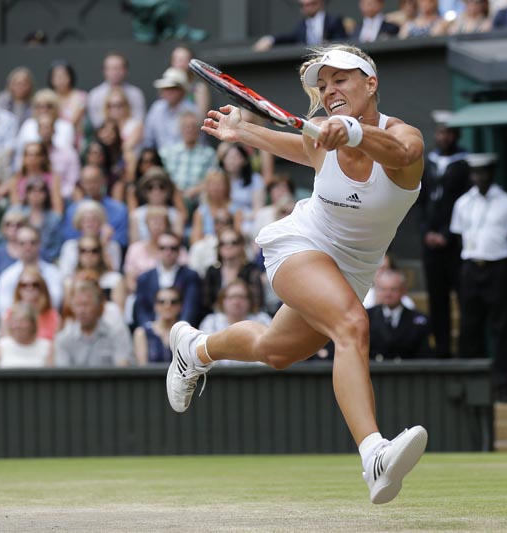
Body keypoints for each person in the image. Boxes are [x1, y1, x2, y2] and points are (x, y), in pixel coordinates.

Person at [167, 44, 427, 505]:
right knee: (352, 325)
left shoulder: (405, 137)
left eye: (340, 80)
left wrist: (351, 132)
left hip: (353, 271)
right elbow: (296, 145)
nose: (329, 91)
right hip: (301, 246)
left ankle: (195, 348)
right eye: (322, 86)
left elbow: (401, 153)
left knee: (275, 350)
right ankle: (374, 455)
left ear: (371, 83)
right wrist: (244, 131)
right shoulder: (321, 139)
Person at [450, 153, 507, 402]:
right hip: (471, 267)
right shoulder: (463, 203)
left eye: (482, 172)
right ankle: (472, 385)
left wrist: (501, 264)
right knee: (470, 326)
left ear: (491, 173)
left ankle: (505, 385)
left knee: (502, 327)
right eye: (474, 173)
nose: (478, 177)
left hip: (498, 267)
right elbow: (459, 236)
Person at [418, 110, 470, 357]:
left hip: (455, 243)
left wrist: (448, 235)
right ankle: (441, 352)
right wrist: (426, 232)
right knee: (437, 301)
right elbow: (421, 201)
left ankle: (466, 353)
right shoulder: (429, 162)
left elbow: (465, 204)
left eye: (448, 132)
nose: (444, 137)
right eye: (440, 132)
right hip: (431, 244)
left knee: (463, 297)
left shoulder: (465, 164)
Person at [55, 280, 134, 367]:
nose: (82, 311)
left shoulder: (117, 332)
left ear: (99, 307)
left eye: (86, 304)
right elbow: (64, 374)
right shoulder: (64, 338)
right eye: (77, 305)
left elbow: (123, 369)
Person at [133, 231, 201, 327]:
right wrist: (150, 331)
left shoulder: (190, 276)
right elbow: (141, 310)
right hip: (152, 331)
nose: (168, 252)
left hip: (181, 332)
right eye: (163, 248)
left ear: (179, 251)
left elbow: (190, 309)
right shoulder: (144, 278)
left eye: (173, 248)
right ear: (157, 250)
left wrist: (180, 331)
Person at [367, 269, 432, 360]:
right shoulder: (366, 317)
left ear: (404, 290)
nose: (388, 294)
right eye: (383, 289)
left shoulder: (419, 321)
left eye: (393, 289)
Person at [159, 110, 215, 202]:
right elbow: (161, 176)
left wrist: (195, 190)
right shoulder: (167, 152)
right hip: (172, 198)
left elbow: (212, 180)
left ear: (199, 129)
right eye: (186, 127)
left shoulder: (208, 154)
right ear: (180, 129)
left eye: (193, 127)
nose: (189, 130)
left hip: (198, 200)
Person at [253, 0, 348, 51]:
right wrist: (270, 40)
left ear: (320, 3)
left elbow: (341, 43)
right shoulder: (302, 26)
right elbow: (289, 38)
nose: (308, 7)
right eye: (304, 5)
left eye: (312, 4)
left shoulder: (333, 21)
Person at [142, 67, 199, 152]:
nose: (169, 92)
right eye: (165, 88)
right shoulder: (157, 108)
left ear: (182, 90)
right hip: (159, 160)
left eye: (173, 88)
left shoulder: (192, 111)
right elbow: (148, 139)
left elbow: (197, 143)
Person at [86, 53, 145, 131]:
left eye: (118, 68)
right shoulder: (95, 94)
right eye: (110, 68)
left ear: (126, 70)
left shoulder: (136, 94)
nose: (115, 72)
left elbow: (139, 122)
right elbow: (97, 124)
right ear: (104, 71)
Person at [0, 302, 54, 368]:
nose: (17, 326)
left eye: (22, 321)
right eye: (13, 321)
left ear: (33, 324)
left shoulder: (47, 347)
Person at [200, 279, 273, 336]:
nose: (236, 302)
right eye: (232, 297)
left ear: (249, 300)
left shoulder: (262, 320)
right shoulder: (211, 322)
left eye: (241, 297)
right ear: (223, 300)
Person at [133, 286, 181, 365]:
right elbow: (142, 368)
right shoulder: (142, 333)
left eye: (173, 302)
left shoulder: (187, 333)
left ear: (180, 306)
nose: (167, 306)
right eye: (162, 302)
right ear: (155, 305)